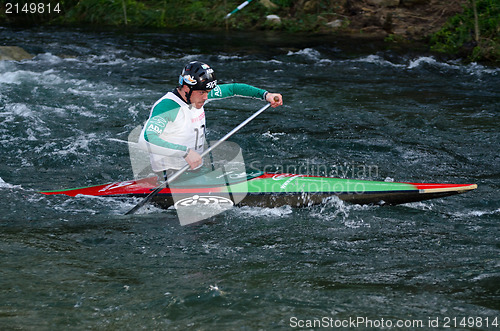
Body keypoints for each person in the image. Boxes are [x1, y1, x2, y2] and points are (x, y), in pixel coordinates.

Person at [139, 61, 283, 179]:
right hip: (170, 175)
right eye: (202, 93)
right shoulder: (167, 107)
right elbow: (146, 140)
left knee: (250, 174)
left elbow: (233, 89)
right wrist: (185, 152)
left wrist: (265, 95)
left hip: (195, 170)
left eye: (208, 92)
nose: (206, 97)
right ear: (185, 88)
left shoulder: (198, 93)